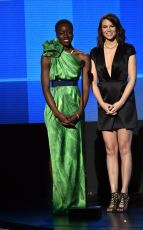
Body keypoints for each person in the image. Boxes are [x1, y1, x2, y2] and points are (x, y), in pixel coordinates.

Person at [41, 19, 90, 215]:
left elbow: (86, 88)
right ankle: (60, 201)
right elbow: (45, 88)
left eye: (69, 32)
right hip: (54, 107)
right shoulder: (48, 55)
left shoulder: (82, 57)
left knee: (73, 155)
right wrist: (58, 113)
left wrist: (79, 112)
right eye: (61, 33)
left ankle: (75, 201)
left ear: (73, 32)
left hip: (74, 104)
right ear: (56, 34)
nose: (65, 36)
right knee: (57, 155)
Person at [90, 13, 137, 212]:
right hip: (105, 103)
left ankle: (124, 194)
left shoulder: (128, 49)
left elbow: (132, 79)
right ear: (101, 30)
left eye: (111, 26)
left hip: (124, 102)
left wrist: (119, 103)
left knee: (124, 148)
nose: (108, 30)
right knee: (110, 150)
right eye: (104, 27)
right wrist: (101, 102)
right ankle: (113, 194)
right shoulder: (95, 52)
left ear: (117, 28)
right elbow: (93, 81)